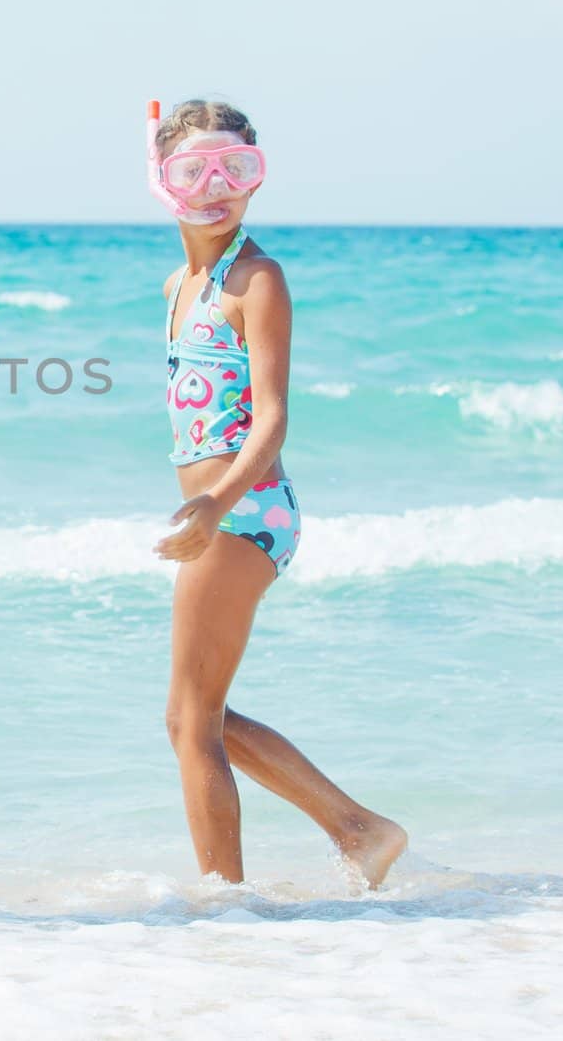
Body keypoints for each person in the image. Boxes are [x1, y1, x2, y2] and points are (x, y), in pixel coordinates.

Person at [148, 99, 407, 888]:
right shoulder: (179, 283)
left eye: (236, 168)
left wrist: (216, 504)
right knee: (201, 717)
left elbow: (272, 420)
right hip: (224, 513)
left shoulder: (256, 278)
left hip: (247, 509)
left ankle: (223, 907)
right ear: (161, 181)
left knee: (190, 723)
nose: (215, 185)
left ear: (257, 178)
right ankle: (358, 828)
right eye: (193, 170)